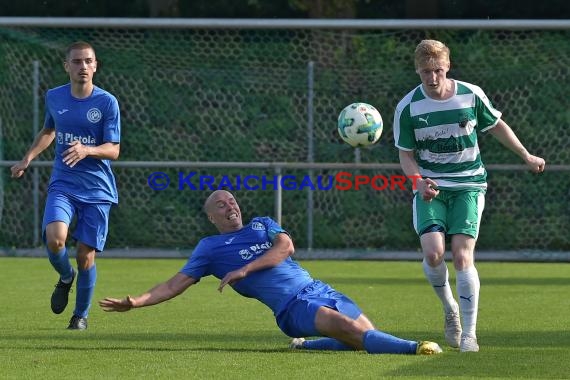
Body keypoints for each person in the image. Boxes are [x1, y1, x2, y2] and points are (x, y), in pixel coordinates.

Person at [99, 190, 442, 355]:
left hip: (318, 288)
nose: (229, 206)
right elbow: (174, 285)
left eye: (232, 201)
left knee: (361, 338)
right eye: (220, 205)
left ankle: (305, 346)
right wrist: (136, 302)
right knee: (350, 329)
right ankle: (417, 348)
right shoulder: (209, 248)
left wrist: (244, 269)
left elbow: (286, 248)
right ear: (211, 218)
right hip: (291, 307)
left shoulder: (263, 224)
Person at [393, 39, 545, 352]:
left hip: (469, 184)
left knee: (462, 256)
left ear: (447, 66)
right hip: (432, 186)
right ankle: (450, 309)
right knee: (434, 253)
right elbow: (406, 155)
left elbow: (497, 125)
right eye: (425, 72)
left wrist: (526, 155)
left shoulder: (470, 94)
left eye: (437, 70)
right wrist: (418, 181)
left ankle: (469, 334)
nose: (432, 78)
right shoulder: (408, 107)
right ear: (417, 71)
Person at [11, 41, 121, 330]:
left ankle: (80, 316)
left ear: (96, 65)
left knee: (85, 256)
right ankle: (65, 276)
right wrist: (27, 159)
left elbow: (113, 150)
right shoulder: (55, 97)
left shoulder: (107, 102)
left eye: (88, 61)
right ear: (66, 66)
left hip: (97, 190)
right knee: (54, 239)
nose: (82, 67)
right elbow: (49, 130)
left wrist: (88, 150)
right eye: (76, 61)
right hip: (64, 183)